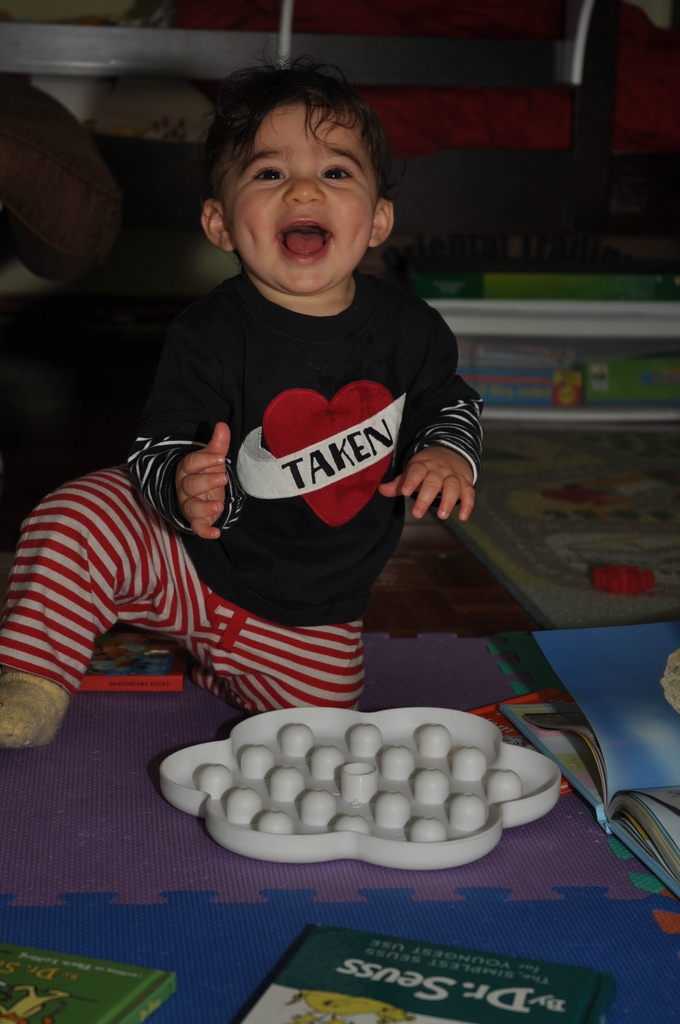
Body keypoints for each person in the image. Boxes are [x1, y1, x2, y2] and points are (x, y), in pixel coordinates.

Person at [0, 58, 482, 747]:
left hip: (308, 614)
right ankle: (32, 680)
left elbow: (449, 401)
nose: (304, 189)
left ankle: (228, 673)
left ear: (378, 220)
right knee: (75, 515)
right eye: (269, 173)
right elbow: (158, 443)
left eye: (335, 172)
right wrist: (182, 481)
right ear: (220, 223)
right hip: (181, 560)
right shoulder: (207, 333)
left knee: (322, 741)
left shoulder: (412, 330)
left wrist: (444, 453)